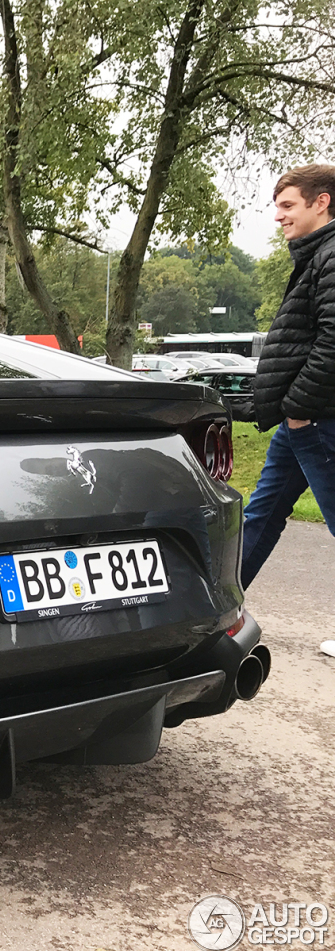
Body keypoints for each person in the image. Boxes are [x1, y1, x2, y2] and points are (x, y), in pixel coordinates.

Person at [241, 164, 335, 656]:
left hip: (317, 416)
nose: (278, 217)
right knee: (263, 511)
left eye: (288, 205)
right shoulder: (317, 255)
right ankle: (217, 614)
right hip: (302, 419)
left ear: (321, 203)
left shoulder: (332, 254)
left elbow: (333, 342)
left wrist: (297, 407)